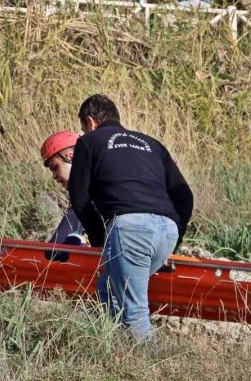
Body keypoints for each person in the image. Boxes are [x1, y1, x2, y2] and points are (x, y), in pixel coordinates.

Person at [68, 95, 193, 341]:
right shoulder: (152, 144)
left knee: (134, 312)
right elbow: (184, 196)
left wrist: (101, 241)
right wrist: (175, 238)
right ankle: (116, 352)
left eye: (84, 127)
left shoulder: (89, 142)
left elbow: (79, 198)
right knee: (108, 289)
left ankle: (151, 370)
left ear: (91, 122)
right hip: (166, 230)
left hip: (130, 229)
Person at [40, 131, 87, 246]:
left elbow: (55, 249)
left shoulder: (85, 198)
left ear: (71, 157)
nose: (54, 176)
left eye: (55, 167)